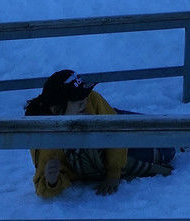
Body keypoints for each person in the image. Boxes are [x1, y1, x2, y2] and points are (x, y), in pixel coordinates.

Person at [24, 69, 175, 200]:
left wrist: (113, 174)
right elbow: (42, 187)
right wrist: (52, 180)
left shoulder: (91, 99)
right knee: (167, 150)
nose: (84, 101)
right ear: (57, 109)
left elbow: (115, 130)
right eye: (77, 100)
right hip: (103, 151)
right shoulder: (46, 142)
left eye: (84, 95)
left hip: (112, 121)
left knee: (163, 127)